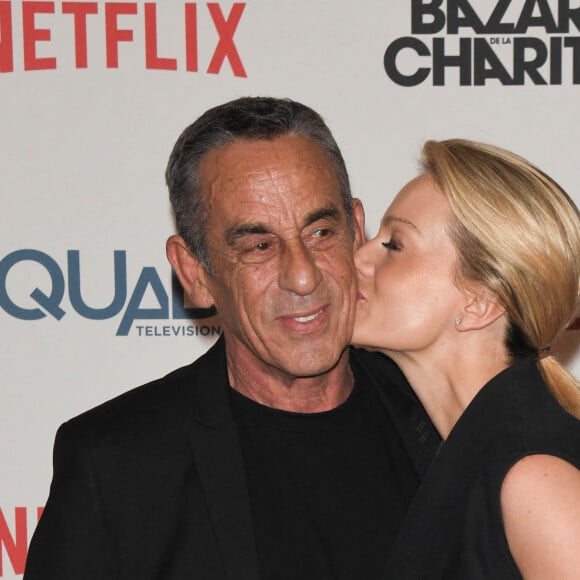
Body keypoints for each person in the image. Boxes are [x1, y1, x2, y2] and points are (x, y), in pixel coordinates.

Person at [24, 97, 439, 580]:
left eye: (321, 232)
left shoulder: (444, 420)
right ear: (194, 272)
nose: (302, 276)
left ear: (356, 231)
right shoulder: (118, 464)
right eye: (259, 246)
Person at [353, 138, 580, 579]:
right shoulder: (464, 452)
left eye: (394, 244)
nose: (359, 256)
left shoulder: (533, 477)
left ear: (480, 303)